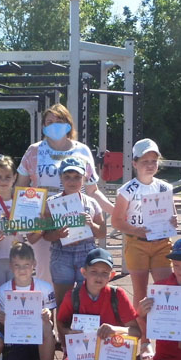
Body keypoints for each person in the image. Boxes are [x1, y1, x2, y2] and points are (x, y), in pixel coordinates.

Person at [15, 103, 113, 282]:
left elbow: (93, 190)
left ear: (68, 124)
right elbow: (21, 188)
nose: (54, 125)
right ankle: (49, 301)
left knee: (81, 274)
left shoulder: (82, 150)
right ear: (43, 126)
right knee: (46, 271)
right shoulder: (34, 151)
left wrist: (116, 211)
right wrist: (21, 226)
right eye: (49, 121)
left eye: (59, 121)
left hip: (76, 218)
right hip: (44, 218)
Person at [112, 138, 176, 360]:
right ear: (134, 163)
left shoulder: (165, 187)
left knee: (165, 291)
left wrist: (172, 222)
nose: (150, 165)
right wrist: (137, 231)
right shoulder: (126, 190)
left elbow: (171, 216)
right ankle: (145, 341)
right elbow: (117, 221)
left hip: (161, 244)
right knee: (140, 293)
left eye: (154, 161)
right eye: (145, 161)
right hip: (137, 243)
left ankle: (166, 340)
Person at [56, 247, 140, 360]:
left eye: (104, 273)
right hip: (84, 352)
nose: (99, 277)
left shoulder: (117, 295)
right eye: (94, 271)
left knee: (122, 348)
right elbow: (61, 323)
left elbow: (137, 332)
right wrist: (68, 333)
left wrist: (115, 329)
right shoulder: (72, 296)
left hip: (110, 352)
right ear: (83, 272)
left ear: (112, 275)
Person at [0, 242, 58, 360]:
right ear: (11, 266)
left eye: (26, 265)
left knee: (47, 326)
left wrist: (47, 315)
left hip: (38, 343)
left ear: (34, 264)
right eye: (17, 265)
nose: (22, 269)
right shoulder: (2, 291)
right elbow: (3, 329)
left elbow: (52, 323)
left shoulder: (45, 288)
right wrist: (2, 321)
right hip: (15, 343)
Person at [42, 156, 107, 306]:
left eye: (77, 177)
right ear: (61, 178)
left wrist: (91, 225)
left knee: (89, 299)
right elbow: (45, 235)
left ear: (84, 178)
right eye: (67, 177)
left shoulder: (91, 203)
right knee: (62, 300)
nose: (72, 181)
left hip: (86, 253)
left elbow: (102, 233)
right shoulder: (51, 204)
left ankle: (85, 323)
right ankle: (64, 323)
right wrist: (57, 234)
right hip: (61, 253)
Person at [0, 155, 40, 288]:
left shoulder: (23, 202)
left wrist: (39, 226)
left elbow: (31, 235)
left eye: (7, 177)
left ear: (14, 177)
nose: (3, 181)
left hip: (18, 258)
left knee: (17, 293)